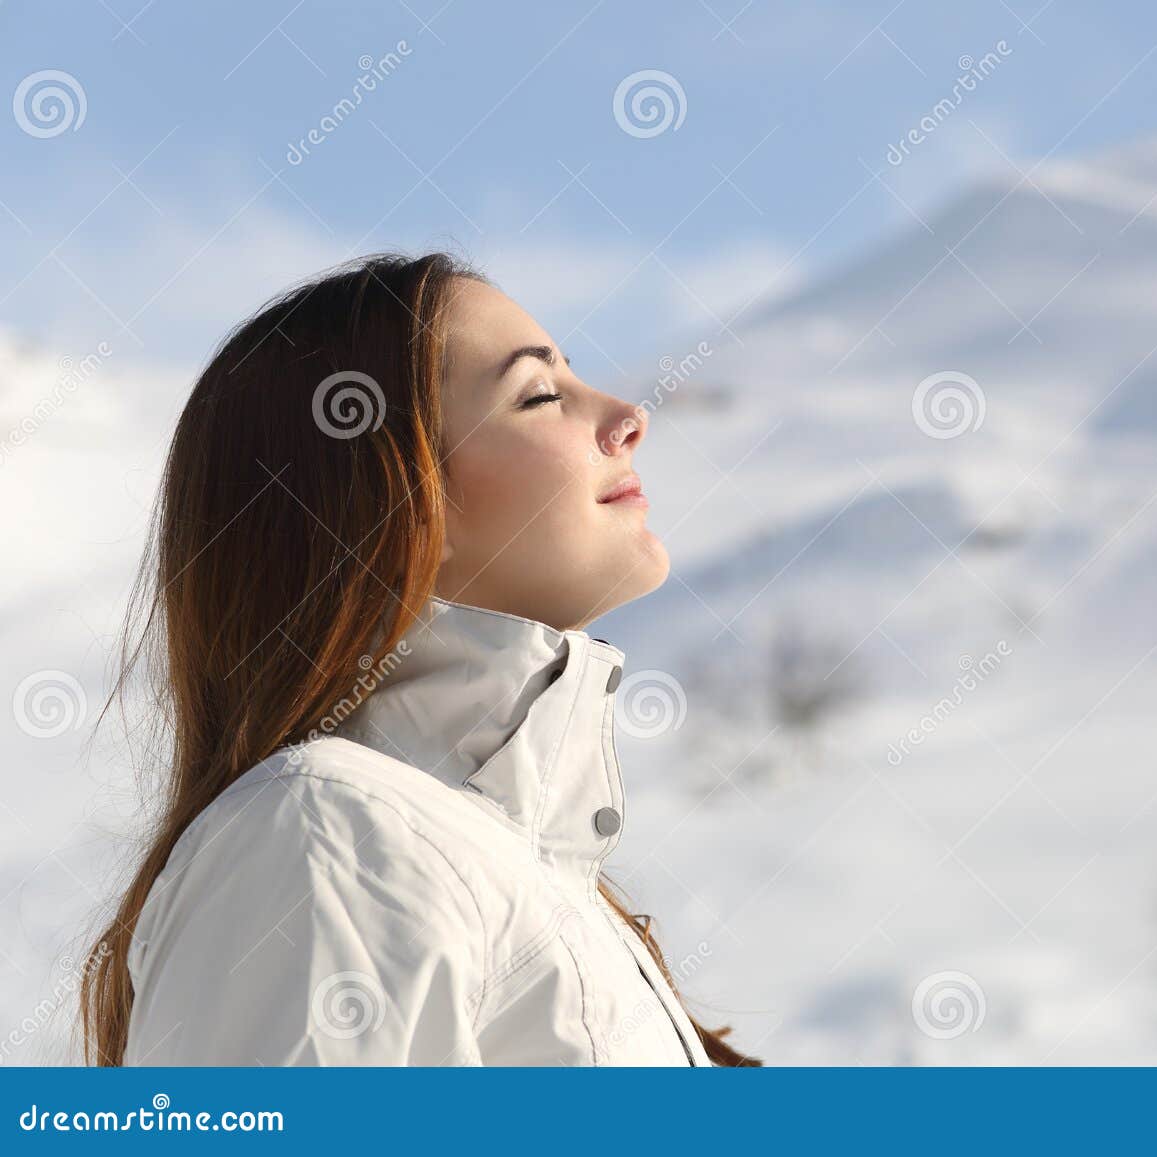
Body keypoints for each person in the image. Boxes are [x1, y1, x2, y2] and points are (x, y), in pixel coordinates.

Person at [79, 253, 758, 1066]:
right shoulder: (327, 835)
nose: (626, 415)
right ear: (391, 506)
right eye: (539, 395)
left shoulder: (509, 872)